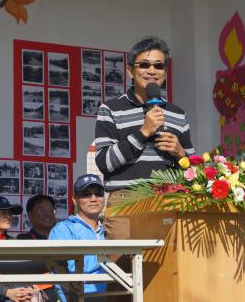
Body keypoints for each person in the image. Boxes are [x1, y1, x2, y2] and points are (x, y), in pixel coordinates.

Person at [95, 36, 195, 240]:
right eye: (144, 65)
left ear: (165, 72)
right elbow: (104, 162)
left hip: (169, 200)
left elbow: (195, 171)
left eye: (158, 66)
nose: (152, 71)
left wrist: (180, 153)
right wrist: (143, 133)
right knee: (123, 261)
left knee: (169, 260)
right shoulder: (111, 108)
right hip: (126, 200)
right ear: (130, 70)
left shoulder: (177, 114)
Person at [49, 174, 106, 302]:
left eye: (98, 194)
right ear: (74, 200)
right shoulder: (63, 229)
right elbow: (61, 276)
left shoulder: (110, 228)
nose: (94, 199)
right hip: (83, 297)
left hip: (119, 292)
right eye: (86, 194)